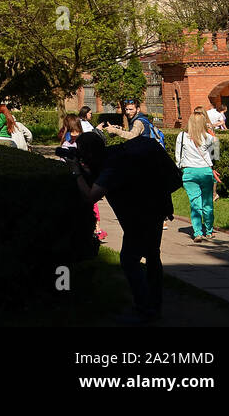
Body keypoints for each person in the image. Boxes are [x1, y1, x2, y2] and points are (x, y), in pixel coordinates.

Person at [72, 131, 180, 324]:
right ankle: (155, 306)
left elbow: (91, 196)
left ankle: (145, 308)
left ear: (88, 153)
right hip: (154, 210)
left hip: (138, 217)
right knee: (153, 257)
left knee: (129, 260)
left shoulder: (113, 167)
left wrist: (77, 173)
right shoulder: (116, 156)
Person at [175, 108, 219, 241]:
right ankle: (209, 231)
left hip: (189, 172)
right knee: (207, 202)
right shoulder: (209, 137)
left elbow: (178, 157)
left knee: (195, 203)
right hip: (205, 171)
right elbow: (216, 156)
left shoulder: (181, 136)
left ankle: (198, 232)